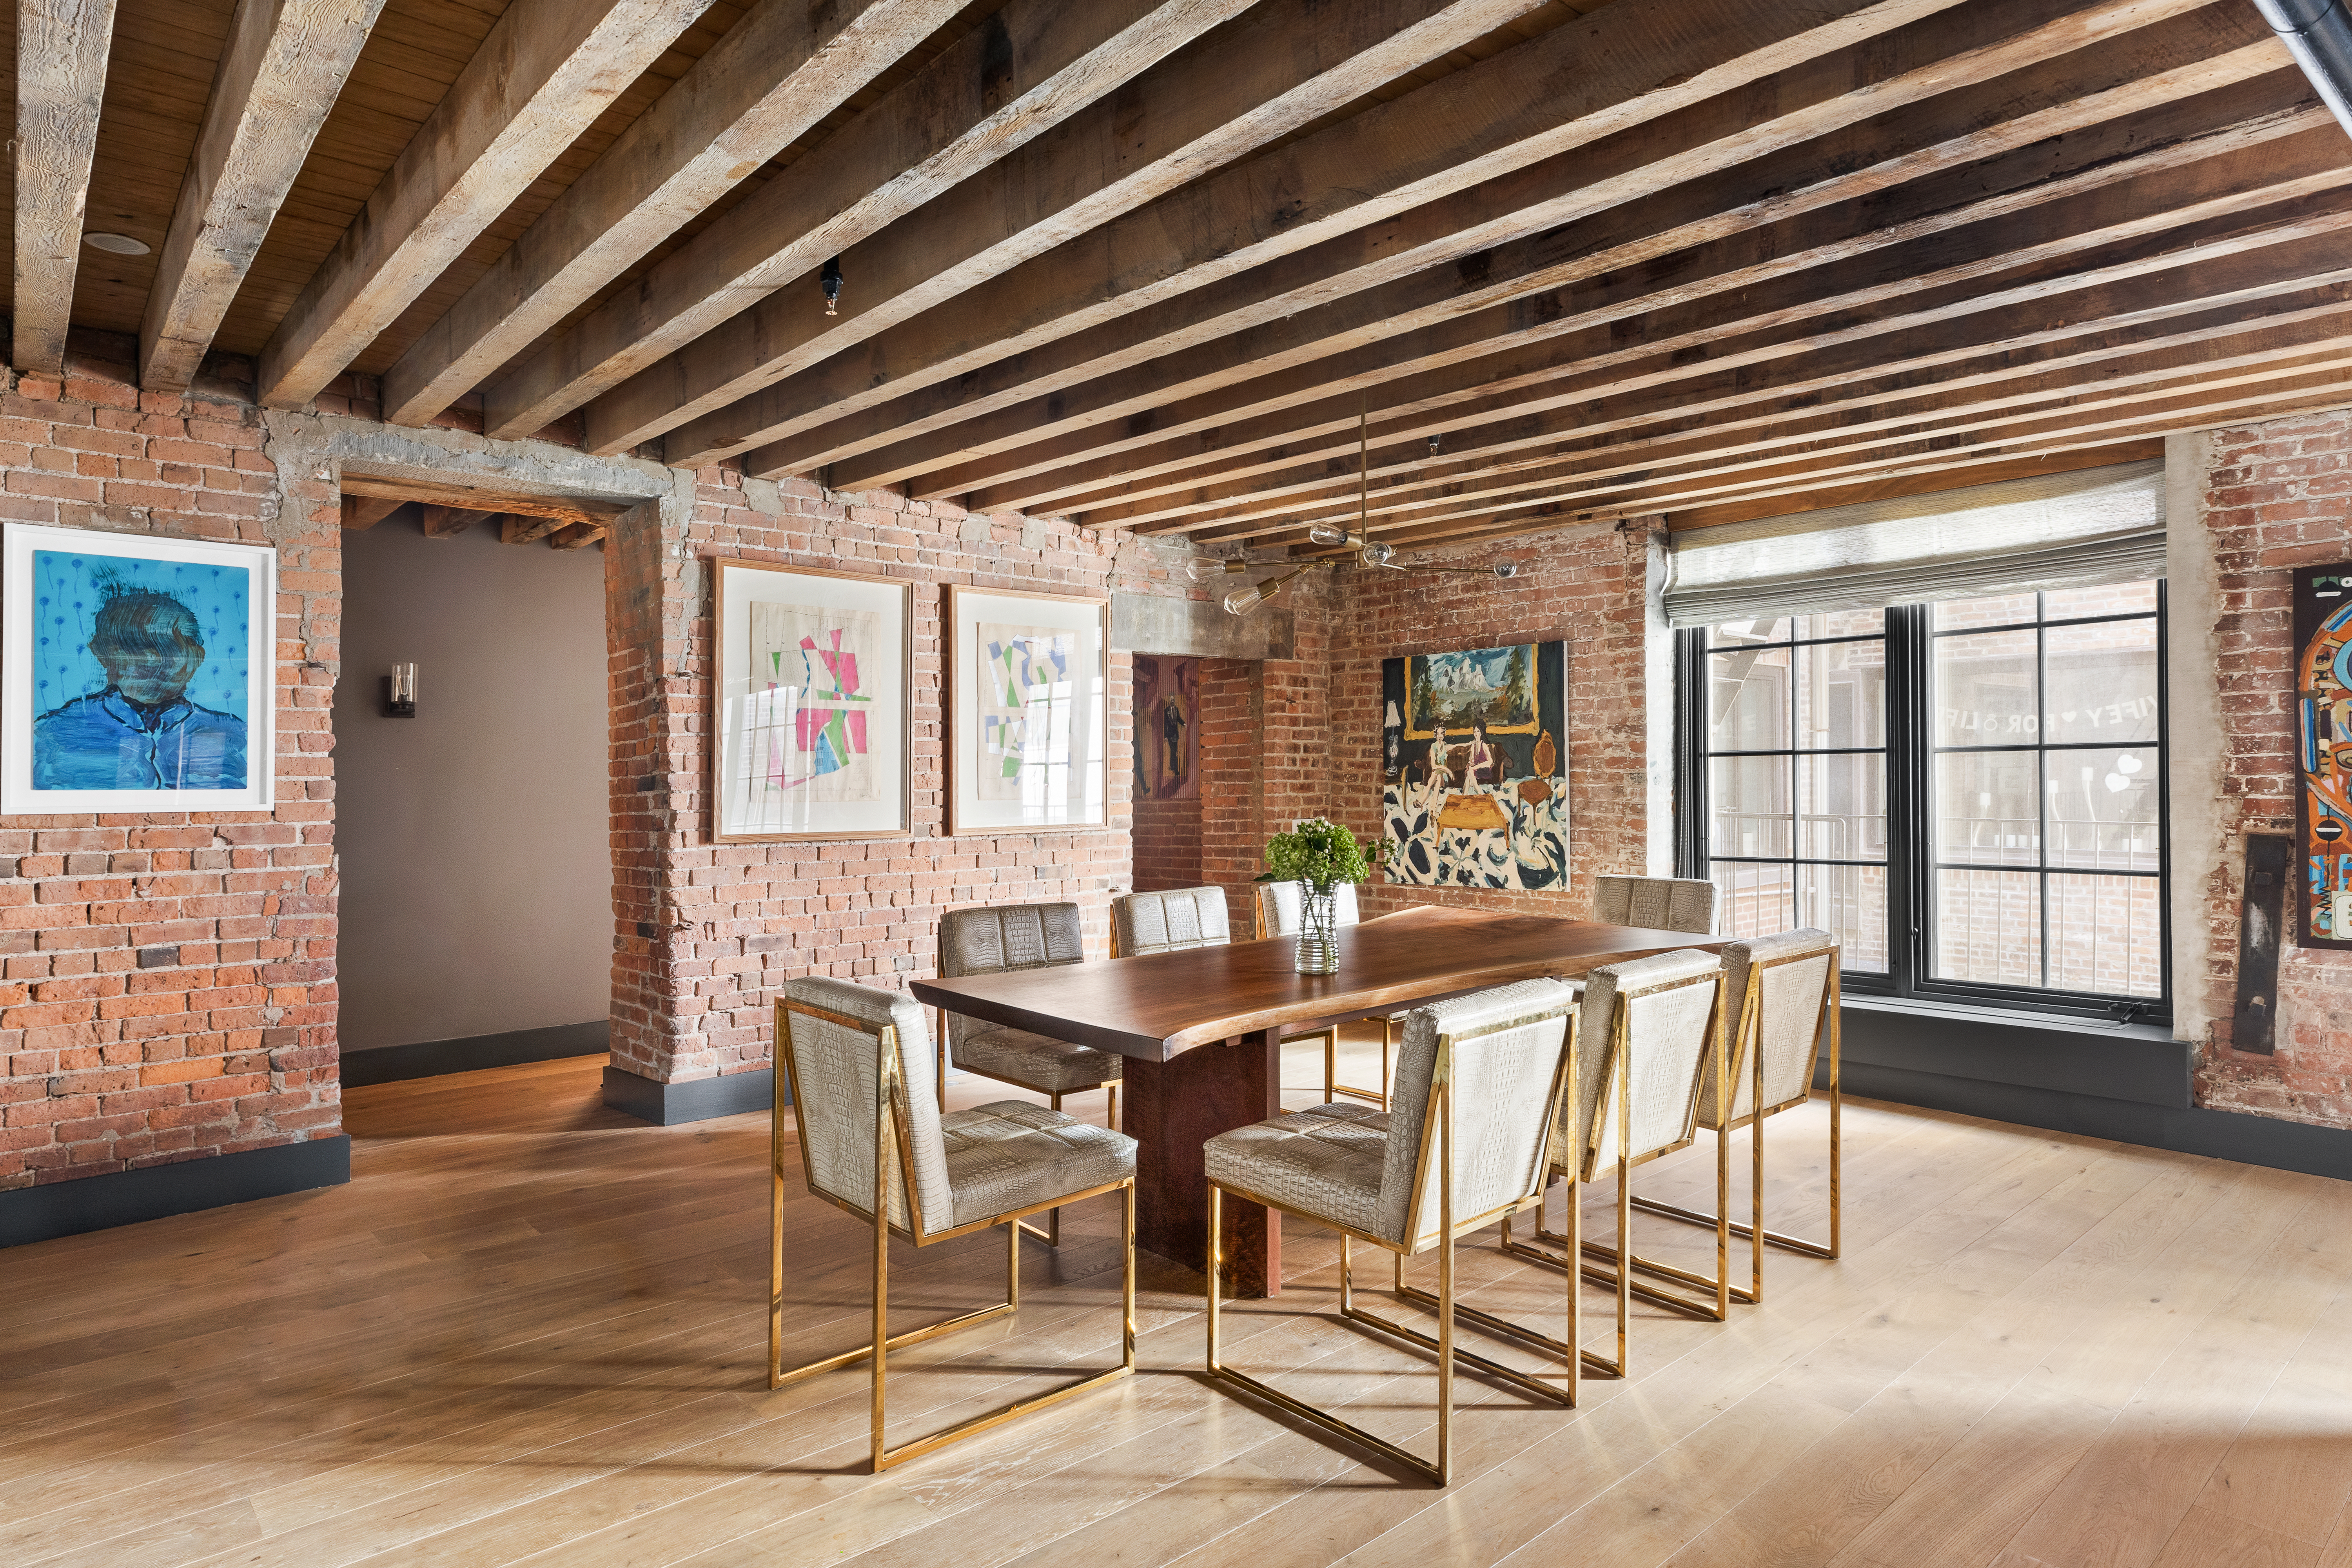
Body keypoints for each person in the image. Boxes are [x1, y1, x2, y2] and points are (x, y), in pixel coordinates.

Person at [33, 586, 247, 790]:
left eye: (172, 647)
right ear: (102, 653)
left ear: (197, 658)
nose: (153, 661)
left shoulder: (232, 731)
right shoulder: (56, 728)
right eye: (133, 646)